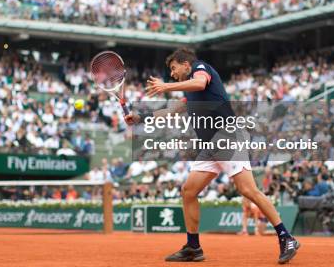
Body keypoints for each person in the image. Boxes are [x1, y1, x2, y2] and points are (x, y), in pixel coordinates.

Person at [125, 47, 300, 264]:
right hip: (209, 145)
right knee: (189, 191)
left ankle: (286, 237)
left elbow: (199, 82)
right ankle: (193, 247)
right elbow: (172, 110)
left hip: (226, 136)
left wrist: (166, 87)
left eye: (173, 68)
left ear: (185, 64)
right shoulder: (189, 91)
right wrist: (141, 117)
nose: (172, 73)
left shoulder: (200, 68)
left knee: (247, 190)